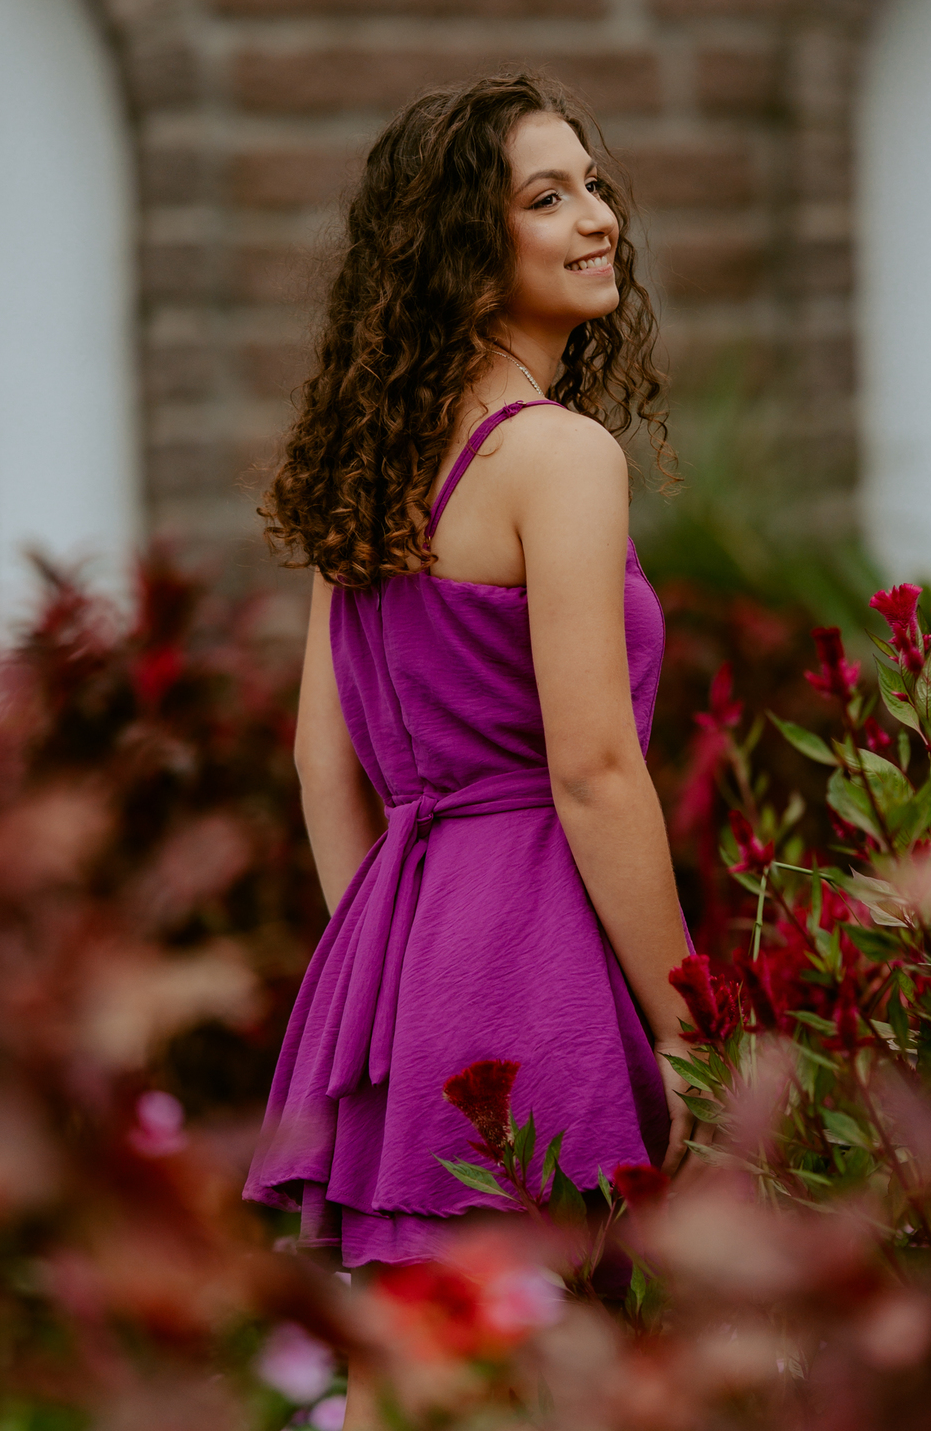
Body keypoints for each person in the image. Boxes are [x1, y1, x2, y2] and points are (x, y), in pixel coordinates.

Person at [244, 70, 695, 1296]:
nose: (599, 218)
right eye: (548, 198)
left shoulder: (373, 463)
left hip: (400, 961)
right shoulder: (560, 457)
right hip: (545, 955)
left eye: (594, 187)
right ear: (463, 249)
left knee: (431, 1366)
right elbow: (595, 772)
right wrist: (688, 1022)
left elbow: (320, 766)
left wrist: (392, 965)